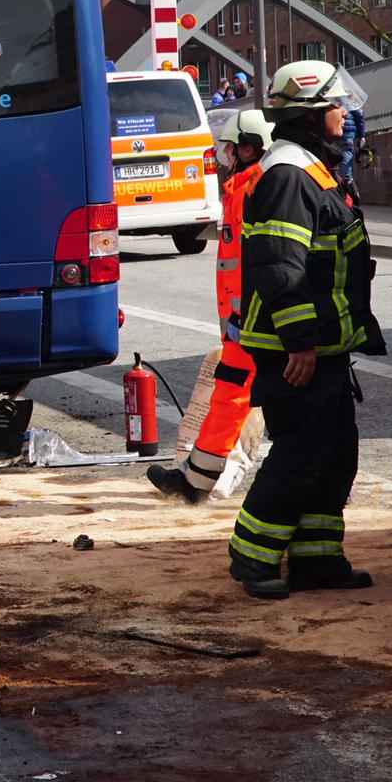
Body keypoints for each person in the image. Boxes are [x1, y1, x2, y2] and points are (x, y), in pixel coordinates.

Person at [227, 60, 384, 600]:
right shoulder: (290, 174)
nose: (347, 114)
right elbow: (277, 266)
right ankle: (252, 558)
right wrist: (300, 342)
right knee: (301, 453)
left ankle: (318, 562)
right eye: (338, 105)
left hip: (324, 346)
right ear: (314, 115)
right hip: (298, 350)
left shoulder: (311, 168)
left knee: (335, 454)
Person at [149, 108, 276, 503]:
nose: (226, 158)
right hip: (243, 320)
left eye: (231, 149)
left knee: (287, 398)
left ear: (250, 148)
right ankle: (196, 481)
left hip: (257, 319)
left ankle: (325, 483)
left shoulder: (260, 188)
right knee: (230, 394)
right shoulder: (244, 187)